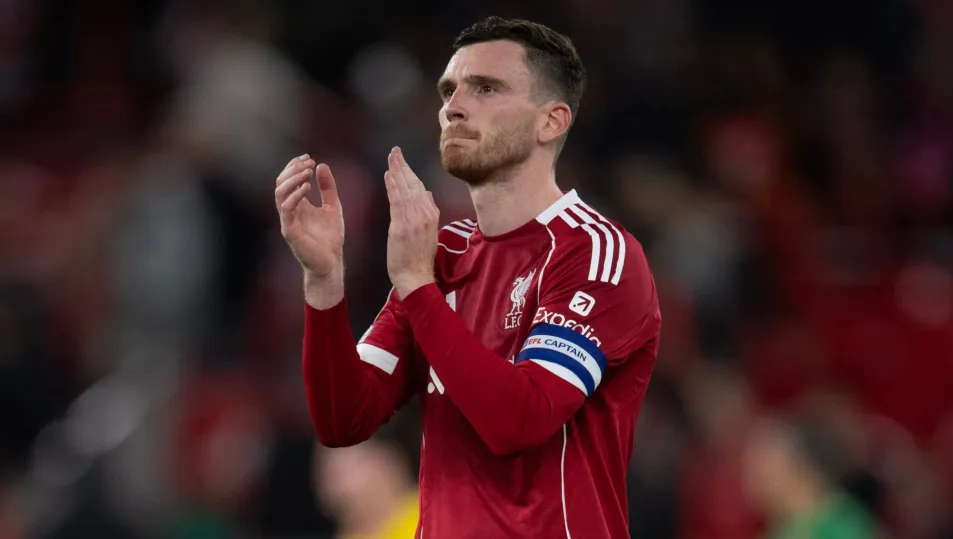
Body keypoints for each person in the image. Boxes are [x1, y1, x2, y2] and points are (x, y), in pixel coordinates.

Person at [274, 16, 661, 539]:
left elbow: (521, 420)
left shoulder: (595, 252)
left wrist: (416, 286)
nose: (453, 106)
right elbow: (345, 420)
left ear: (552, 121)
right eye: (448, 90)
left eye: (486, 88)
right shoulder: (442, 256)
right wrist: (324, 282)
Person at [742, 416, 879, 539]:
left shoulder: (847, 524)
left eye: (764, 466)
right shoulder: (780, 531)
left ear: (799, 465)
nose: (752, 481)